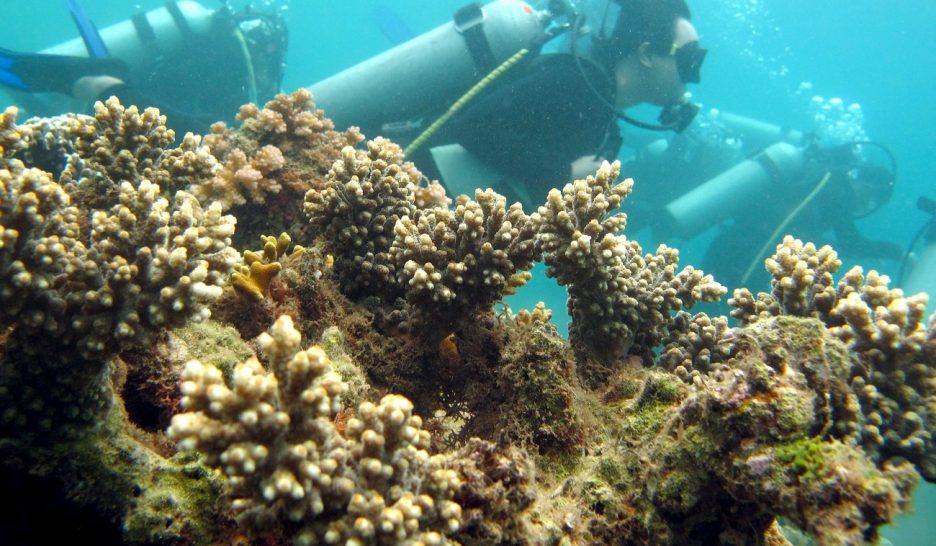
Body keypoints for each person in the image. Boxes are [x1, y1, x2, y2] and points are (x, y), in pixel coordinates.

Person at [411, 0, 706, 206]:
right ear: (647, 54)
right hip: (413, 187)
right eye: (689, 60)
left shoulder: (600, 104)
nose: (694, 77)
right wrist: (561, 173)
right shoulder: (575, 84)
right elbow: (473, 126)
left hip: (439, 217)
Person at [0, 1, 287, 135]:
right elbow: (217, 125)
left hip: (138, 84)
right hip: (130, 93)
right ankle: (98, 84)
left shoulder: (220, 43)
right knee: (207, 138)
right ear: (268, 50)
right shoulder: (233, 60)